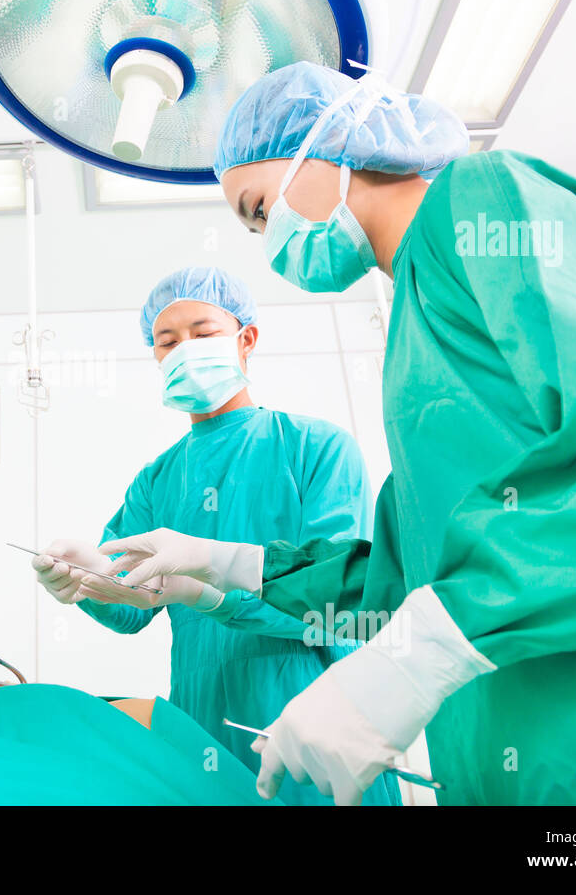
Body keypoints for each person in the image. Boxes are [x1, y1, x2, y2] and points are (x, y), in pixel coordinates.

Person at [96, 61, 576, 805]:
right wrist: (229, 563)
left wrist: (421, 655)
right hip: (504, 763)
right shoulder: (410, 339)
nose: (271, 239)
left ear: (328, 144)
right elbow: (403, 572)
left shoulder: (478, 202)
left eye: (261, 209)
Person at [32, 266, 400, 805]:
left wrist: (212, 597)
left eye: (204, 334)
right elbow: (132, 608)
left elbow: (340, 602)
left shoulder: (316, 447)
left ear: (245, 339)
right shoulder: (157, 480)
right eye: (167, 341)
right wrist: (87, 579)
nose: (185, 350)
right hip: (201, 719)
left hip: (313, 710)